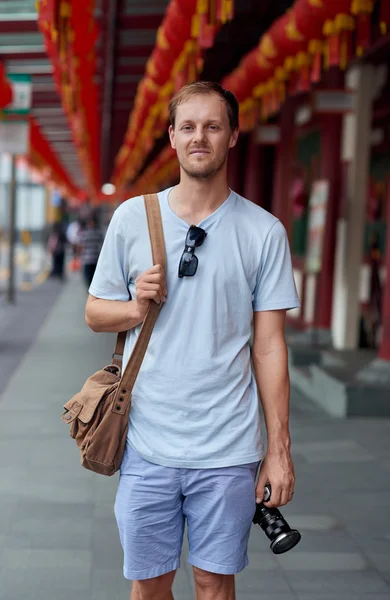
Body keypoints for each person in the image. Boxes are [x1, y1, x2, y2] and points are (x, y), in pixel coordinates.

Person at [85, 81, 300, 600]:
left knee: (213, 583)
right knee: (150, 585)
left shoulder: (263, 231)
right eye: (188, 126)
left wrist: (280, 449)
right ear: (172, 138)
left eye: (212, 126)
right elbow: (94, 313)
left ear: (231, 137)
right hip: (146, 443)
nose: (198, 136)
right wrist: (136, 307)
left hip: (228, 446)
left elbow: (269, 346)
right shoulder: (133, 218)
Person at [79, 217, 103, 288]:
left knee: (88, 276)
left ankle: (89, 289)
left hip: (87, 259)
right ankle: (93, 289)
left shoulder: (84, 233)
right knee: (94, 276)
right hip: (96, 258)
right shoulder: (98, 233)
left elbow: (81, 246)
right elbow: (103, 244)